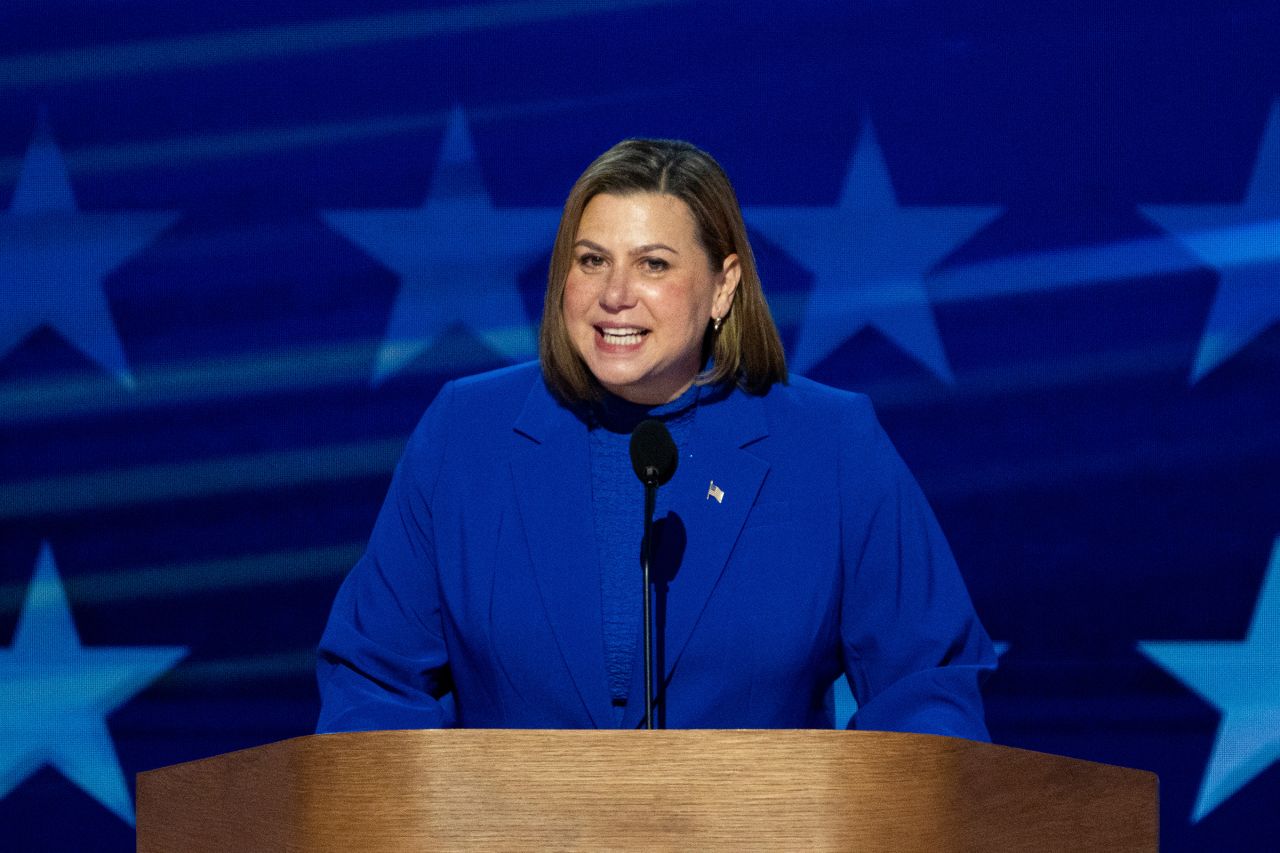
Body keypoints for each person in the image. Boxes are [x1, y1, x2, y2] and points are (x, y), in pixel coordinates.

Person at [316, 138, 996, 736]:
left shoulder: (830, 445)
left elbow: (928, 687)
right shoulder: (467, 434)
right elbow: (371, 680)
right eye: (591, 260)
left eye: (654, 264)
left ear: (723, 286)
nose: (615, 294)